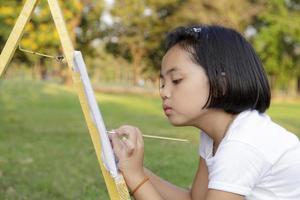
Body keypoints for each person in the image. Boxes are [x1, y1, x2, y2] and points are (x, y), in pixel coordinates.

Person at [109, 25, 300, 200]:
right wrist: (132, 168)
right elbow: (194, 199)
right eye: (162, 83)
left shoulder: (242, 144)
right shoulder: (215, 136)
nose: (163, 92)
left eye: (176, 80)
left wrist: (135, 178)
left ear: (220, 84)